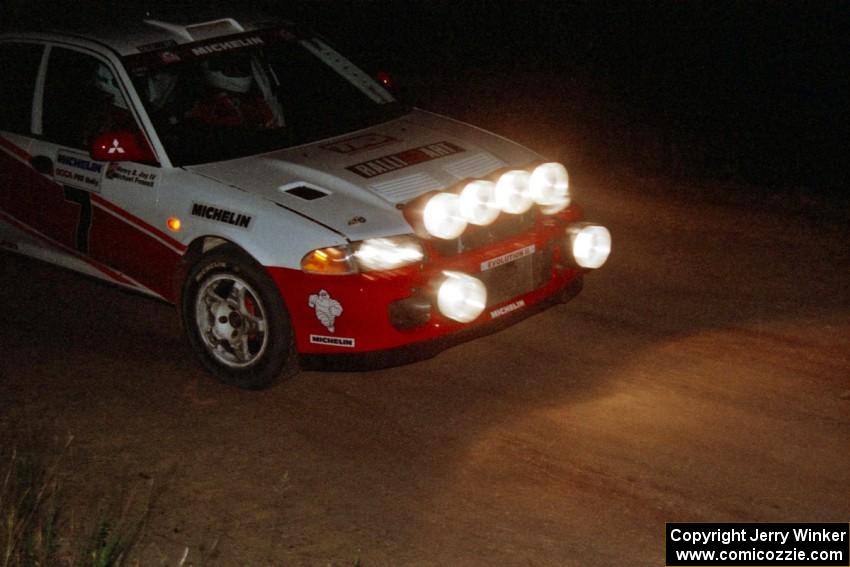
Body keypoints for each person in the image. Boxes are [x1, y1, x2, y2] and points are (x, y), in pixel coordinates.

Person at [187, 52, 278, 130]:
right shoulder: (204, 107)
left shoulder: (257, 100)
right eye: (233, 69)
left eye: (241, 67)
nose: (239, 71)